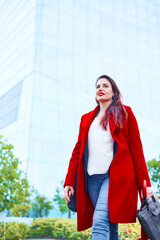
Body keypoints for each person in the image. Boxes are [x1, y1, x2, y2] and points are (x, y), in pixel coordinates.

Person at [64, 75, 153, 240]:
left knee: (99, 223)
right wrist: (69, 181)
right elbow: (77, 151)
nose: (100, 88)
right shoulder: (86, 119)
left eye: (105, 85)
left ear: (113, 92)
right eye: (97, 86)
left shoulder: (125, 113)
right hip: (90, 179)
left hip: (114, 178)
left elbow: (136, 150)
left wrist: (145, 184)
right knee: (110, 227)